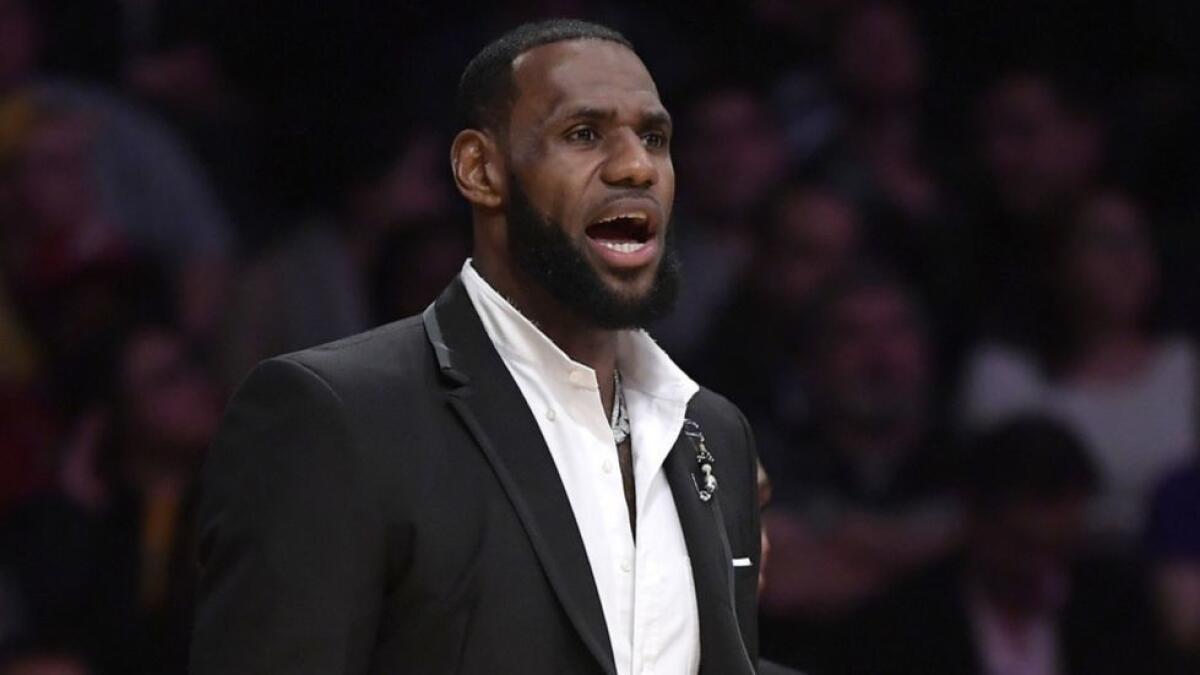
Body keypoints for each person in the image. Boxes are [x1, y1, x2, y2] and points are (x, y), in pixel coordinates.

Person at [191, 19, 761, 675]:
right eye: (583, 134)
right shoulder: (334, 416)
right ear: (480, 169)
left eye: (654, 138)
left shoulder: (714, 432)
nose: (636, 166)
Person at [842, 415, 1166, 675]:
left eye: (1059, 548)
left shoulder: (1115, 611)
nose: (1041, 569)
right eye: (1024, 546)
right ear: (977, 520)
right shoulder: (905, 626)